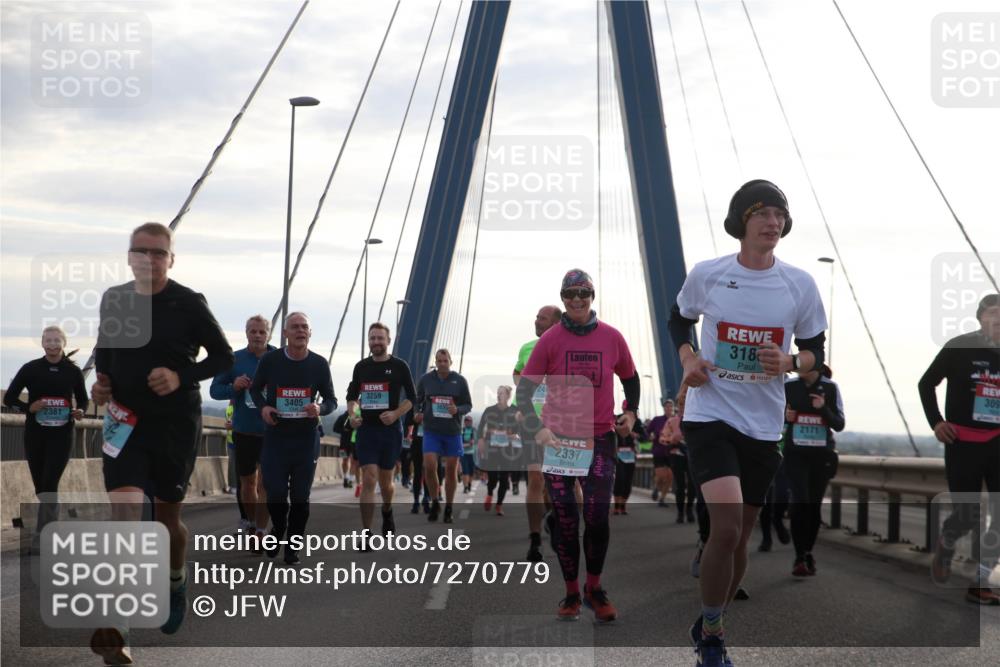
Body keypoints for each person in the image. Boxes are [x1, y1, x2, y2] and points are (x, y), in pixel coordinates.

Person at [669, 180, 827, 666]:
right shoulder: (710, 275)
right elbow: (679, 319)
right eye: (762, 213)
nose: (773, 222)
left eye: (780, 214)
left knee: (741, 532)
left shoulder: (799, 284)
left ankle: (709, 620)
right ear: (742, 221)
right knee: (728, 526)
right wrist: (689, 358)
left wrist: (791, 363)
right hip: (710, 415)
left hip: (762, 426)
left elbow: (817, 355)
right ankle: (713, 639)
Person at [89, 222, 234, 664]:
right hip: (125, 424)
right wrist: (102, 386)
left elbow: (223, 358)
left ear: (171, 259)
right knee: (127, 515)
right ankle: (120, 625)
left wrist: (180, 376)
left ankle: (174, 580)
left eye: (158, 253)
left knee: (168, 524)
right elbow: (105, 354)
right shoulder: (115, 299)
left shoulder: (189, 303)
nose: (148, 260)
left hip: (173, 428)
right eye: (140, 251)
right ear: (129, 256)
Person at [516, 268, 640, 624]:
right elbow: (525, 391)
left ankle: (594, 588)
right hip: (559, 439)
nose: (576, 300)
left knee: (597, 516)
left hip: (600, 437)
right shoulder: (550, 340)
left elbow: (630, 380)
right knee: (567, 520)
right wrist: (537, 427)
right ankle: (571, 592)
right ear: (563, 298)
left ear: (592, 297)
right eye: (569, 294)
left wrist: (629, 415)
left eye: (583, 293)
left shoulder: (612, 338)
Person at [920, 293, 1000, 605]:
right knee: (967, 514)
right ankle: (947, 542)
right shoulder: (959, 346)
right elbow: (926, 384)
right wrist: (936, 423)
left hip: (997, 443)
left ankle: (980, 580)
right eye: (993, 313)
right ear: (981, 318)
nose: (998, 319)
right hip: (962, 443)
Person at [250, 311, 336, 565]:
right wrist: (264, 407)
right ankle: (278, 529)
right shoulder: (270, 360)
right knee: (275, 493)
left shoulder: (319, 364)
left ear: (310, 333)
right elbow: (255, 389)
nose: (300, 331)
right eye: (295, 327)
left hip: (305, 440)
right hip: (277, 438)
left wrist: (321, 409)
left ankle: (292, 546)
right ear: (285, 334)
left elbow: (331, 400)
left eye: (304, 327)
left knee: (300, 496)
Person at [4, 326, 88, 538]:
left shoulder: (72, 371)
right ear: (42, 343)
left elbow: (84, 400)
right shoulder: (31, 368)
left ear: (64, 343)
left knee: (50, 483)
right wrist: (28, 407)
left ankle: (45, 533)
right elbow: (9, 398)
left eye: (56, 340)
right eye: (48, 340)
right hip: (36, 435)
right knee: (41, 486)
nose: (52, 344)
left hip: (62, 435)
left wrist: (80, 411)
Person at [211, 314, 276, 546]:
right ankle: (249, 521)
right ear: (246, 333)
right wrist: (234, 387)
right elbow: (215, 391)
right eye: (252, 331)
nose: (257, 335)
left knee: (265, 484)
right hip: (244, 432)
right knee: (248, 484)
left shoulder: (278, 358)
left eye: (261, 332)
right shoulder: (235, 360)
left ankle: (260, 529)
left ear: (268, 333)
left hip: (272, 434)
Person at [346, 322, 415, 538]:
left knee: (386, 483)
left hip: (390, 432)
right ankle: (366, 533)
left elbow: (412, 399)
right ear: (369, 341)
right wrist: (353, 415)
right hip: (367, 431)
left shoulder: (399, 366)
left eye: (380, 338)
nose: (376, 342)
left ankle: (387, 510)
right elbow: (352, 397)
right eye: (372, 338)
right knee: (369, 478)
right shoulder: (361, 367)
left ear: (388, 340)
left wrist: (395, 414)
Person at [782, 363, 844, 575]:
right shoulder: (789, 386)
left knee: (813, 507)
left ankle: (808, 551)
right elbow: (774, 416)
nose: (797, 365)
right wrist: (785, 417)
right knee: (800, 503)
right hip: (796, 455)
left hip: (821, 457)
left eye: (802, 361)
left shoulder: (831, 388)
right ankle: (799, 556)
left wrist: (823, 409)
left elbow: (839, 423)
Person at [513, 305, 562, 561]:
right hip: (532, 423)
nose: (536, 320)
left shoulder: (568, 345)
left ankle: (562, 525)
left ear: (555, 323)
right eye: (536, 317)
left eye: (541, 318)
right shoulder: (527, 347)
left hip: (563, 422)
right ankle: (535, 540)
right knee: (536, 479)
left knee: (568, 482)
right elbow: (517, 373)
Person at [415, 349, 472, 523]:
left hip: (452, 432)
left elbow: (468, 404)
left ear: (450, 362)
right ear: (435, 362)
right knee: (430, 466)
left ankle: (448, 507)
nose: (442, 363)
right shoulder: (426, 380)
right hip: (431, 430)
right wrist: (417, 412)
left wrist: (458, 410)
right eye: (439, 361)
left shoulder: (460, 381)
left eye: (445, 360)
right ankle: (434, 501)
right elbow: (417, 400)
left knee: (451, 470)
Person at [478, 386, 517, 516]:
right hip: (492, 448)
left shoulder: (514, 411)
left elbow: (519, 429)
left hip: (507, 449)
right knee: (493, 478)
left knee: (504, 480)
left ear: (508, 396)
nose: (499, 395)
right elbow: (480, 427)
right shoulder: (490, 410)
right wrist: (481, 440)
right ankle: (489, 493)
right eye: (498, 393)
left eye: (502, 393)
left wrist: (514, 435)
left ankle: (499, 505)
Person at [612, 400, 646, 515]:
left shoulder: (636, 421)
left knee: (628, 480)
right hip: (618, 453)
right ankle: (617, 505)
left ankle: (623, 505)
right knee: (619, 479)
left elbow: (644, 437)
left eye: (628, 409)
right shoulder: (617, 419)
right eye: (624, 408)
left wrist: (635, 434)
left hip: (631, 455)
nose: (625, 411)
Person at [669, 385, 696, 524]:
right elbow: (662, 438)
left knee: (693, 484)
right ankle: (680, 513)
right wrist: (671, 440)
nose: (683, 405)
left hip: (692, 455)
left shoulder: (698, 419)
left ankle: (689, 509)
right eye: (680, 403)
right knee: (680, 485)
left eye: (685, 402)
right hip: (677, 455)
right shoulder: (672, 421)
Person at [646, 399, 677, 505]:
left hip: (672, 452)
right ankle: (656, 488)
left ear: (673, 408)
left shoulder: (676, 420)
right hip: (659, 451)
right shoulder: (657, 420)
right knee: (661, 475)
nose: (669, 408)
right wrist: (650, 436)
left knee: (670, 476)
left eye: (671, 406)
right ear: (664, 408)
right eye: (667, 406)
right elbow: (647, 432)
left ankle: (662, 498)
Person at [461, 415, 477, 493]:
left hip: (473, 454)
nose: (468, 422)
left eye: (469, 421)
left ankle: (469, 483)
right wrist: (468, 444)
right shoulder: (462, 430)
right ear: (464, 422)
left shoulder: (474, 430)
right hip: (464, 453)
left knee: (471, 471)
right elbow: (460, 443)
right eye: (466, 421)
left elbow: (476, 442)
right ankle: (465, 487)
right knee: (465, 471)